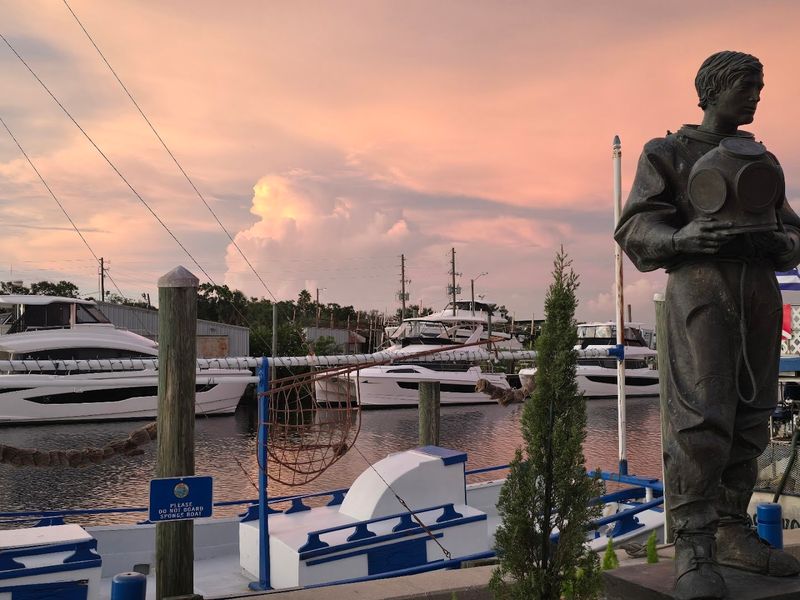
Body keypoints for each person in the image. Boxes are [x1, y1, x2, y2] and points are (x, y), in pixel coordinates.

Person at [615, 51, 800, 600]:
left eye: (760, 87)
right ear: (713, 89)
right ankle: (694, 544)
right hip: (700, 290)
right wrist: (681, 239)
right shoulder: (667, 152)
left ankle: (730, 530)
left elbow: (792, 230)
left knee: (752, 415)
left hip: (757, 293)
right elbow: (636, 227)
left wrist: (782, 243)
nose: (757, 96)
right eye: (747, 86)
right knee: (701, 418)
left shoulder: (761, 158)